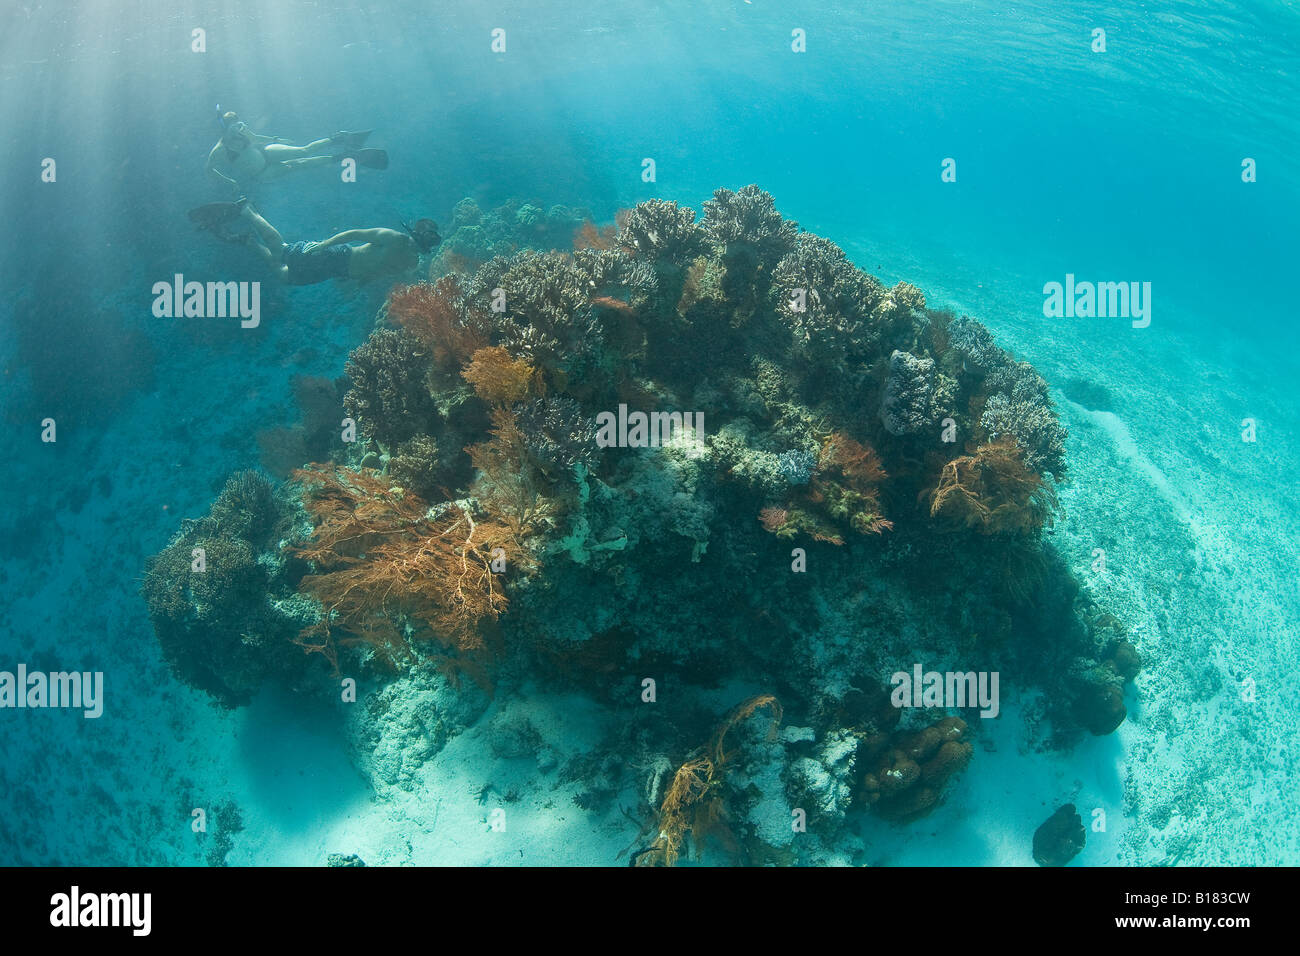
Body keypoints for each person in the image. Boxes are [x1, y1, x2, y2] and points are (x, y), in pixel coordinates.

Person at [207, 200, 440, 285]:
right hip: (336, 255)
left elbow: (380, 271)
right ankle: (248, 211)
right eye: (416, 242)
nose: (416, 247)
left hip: (336, 271)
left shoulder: (412, 262)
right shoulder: (393, 238)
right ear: (413, 235)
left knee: (285, 277)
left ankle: (249, 242)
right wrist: (323, 245)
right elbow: (354, 233)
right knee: (282, 252)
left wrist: (359, 282)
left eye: (421, 247)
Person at [205, 110, 386, 191]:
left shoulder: (242, 131)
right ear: (225, 129)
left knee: (303, 151)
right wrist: (231, 182)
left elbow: (256, 139)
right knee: (301, 164)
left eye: (240, 124)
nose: (240, 128)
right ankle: (344, 156)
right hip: (262, 172)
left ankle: (338, 138)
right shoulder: (220, 150)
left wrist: (276, 139)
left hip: (266, 152)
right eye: (235, 126)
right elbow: (209, 169)